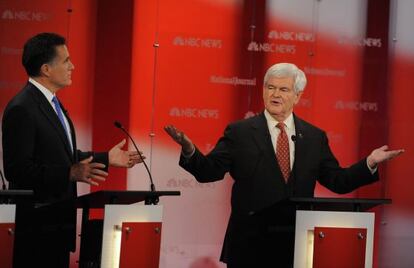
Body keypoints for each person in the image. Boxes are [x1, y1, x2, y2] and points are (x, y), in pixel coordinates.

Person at [164, 63, 404, 267]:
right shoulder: (241, 132)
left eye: (283, 89)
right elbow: (209, 171)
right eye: (270, 87)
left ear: (297, 96)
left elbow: (337, 181)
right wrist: (189, 149)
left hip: (297, 245)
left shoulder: (313, 137)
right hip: (250, 246)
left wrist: (370, 163)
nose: (275, 94)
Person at [1, 32, 143, 268]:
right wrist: (68, 173)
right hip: (36, 231)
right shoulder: (22, 108)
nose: (73, 66)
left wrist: (105, 158)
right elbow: (17, 169)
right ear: (46, 69)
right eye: (66, 61)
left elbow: (64, 157)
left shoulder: (51, 103)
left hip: (57, 228)